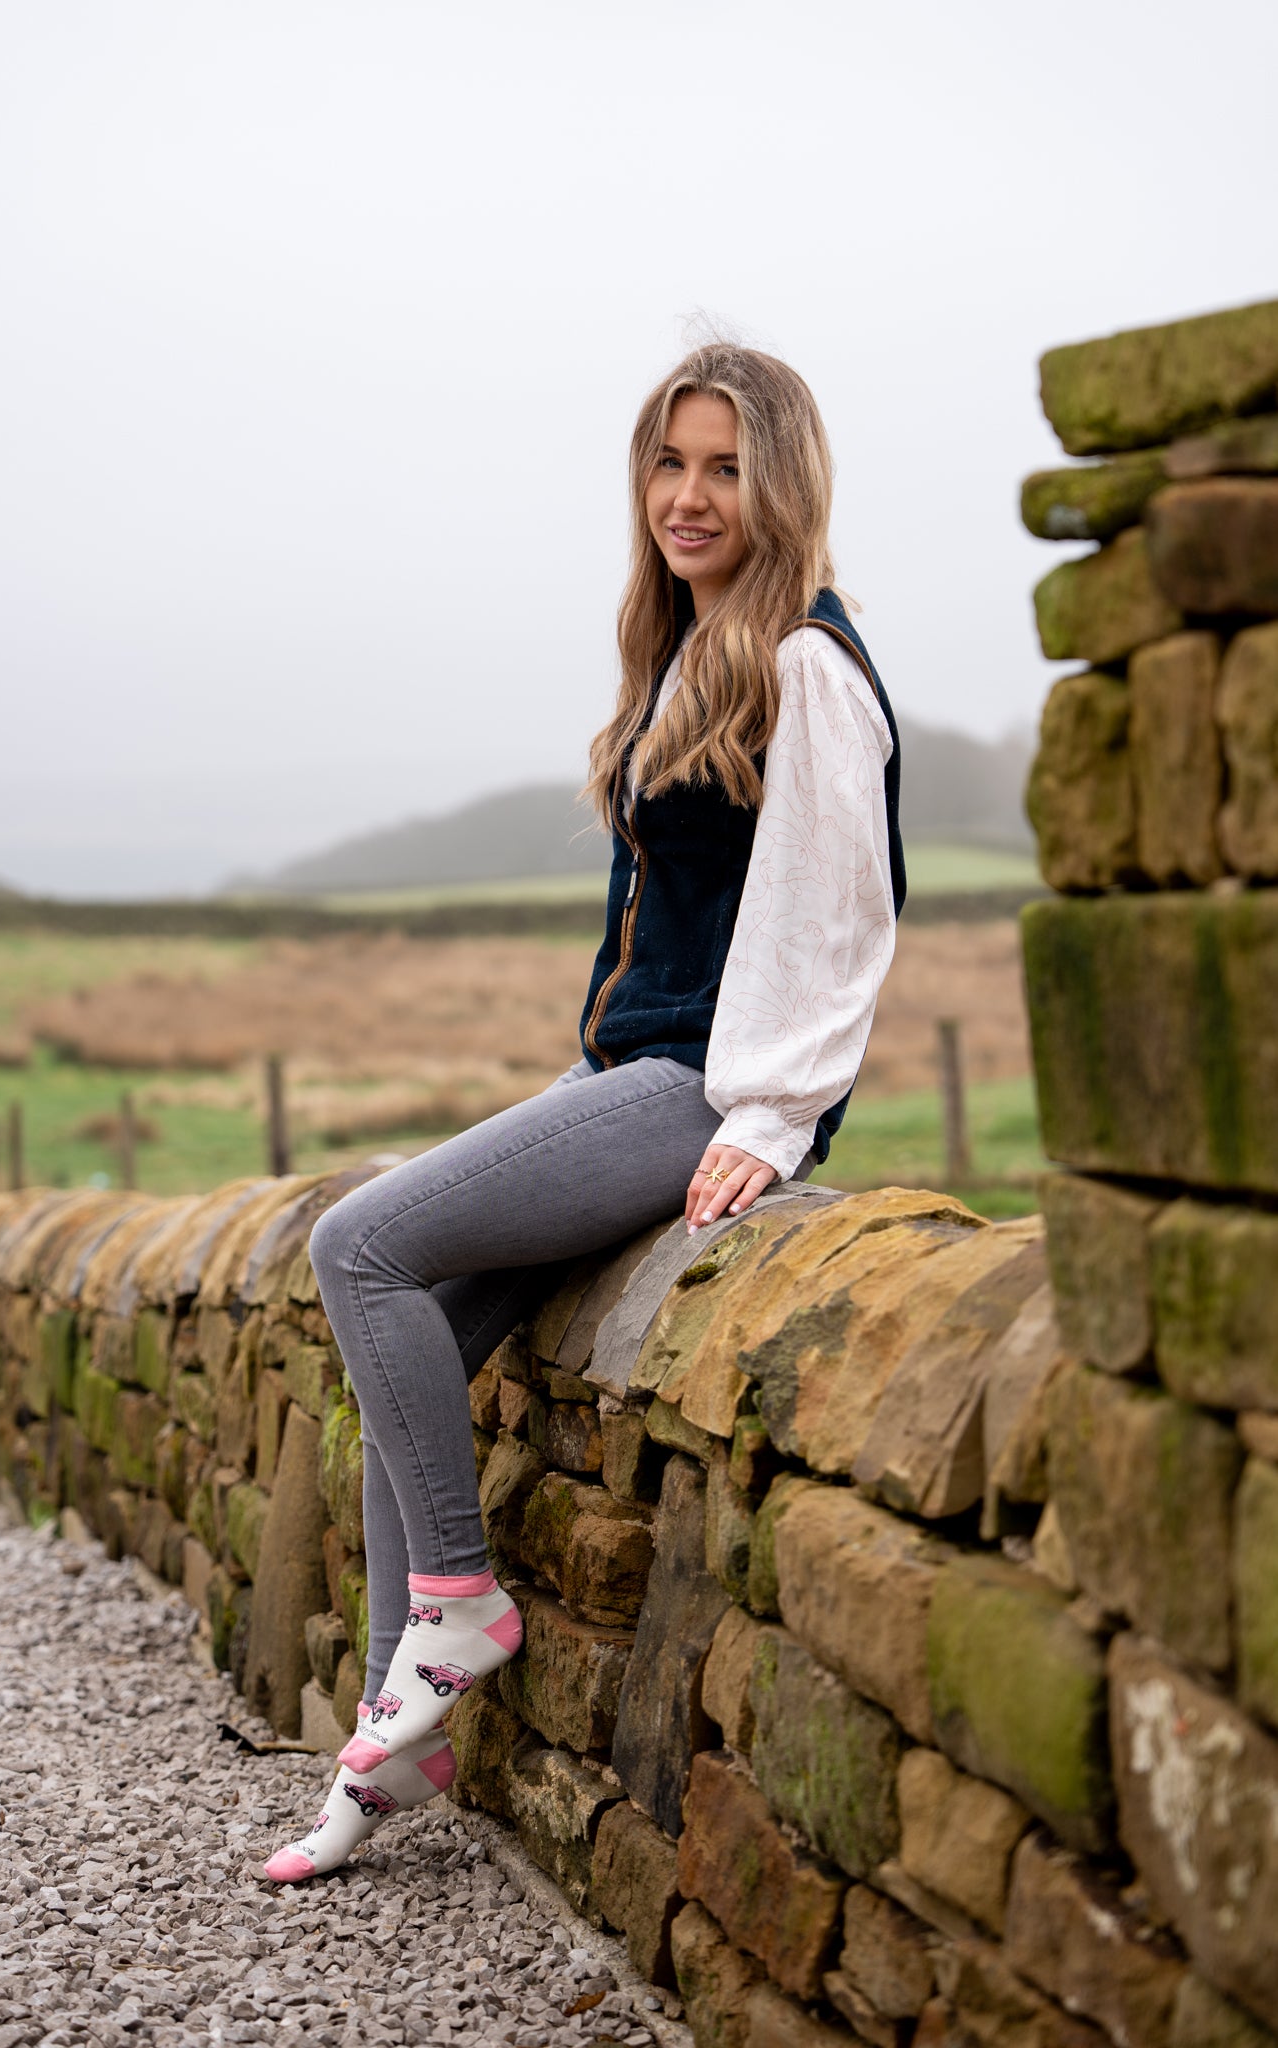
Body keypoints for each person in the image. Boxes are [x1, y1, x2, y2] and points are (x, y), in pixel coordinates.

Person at [264, 342, 905, 1883]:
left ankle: (462, 1610)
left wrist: (770, 1114)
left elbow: (838, 904)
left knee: (361, 1247)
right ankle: (392, 1742)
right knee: (410, 1348)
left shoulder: (805, 663)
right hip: (620, 1074)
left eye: (724, 469)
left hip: (696, 1087)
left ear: (781, 484)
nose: (688, 497)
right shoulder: (685, 648)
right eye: (667, 464)